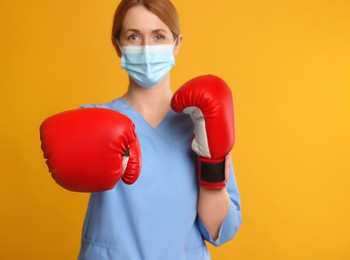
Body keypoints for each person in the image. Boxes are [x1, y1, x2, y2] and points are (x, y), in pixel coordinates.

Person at [41, 0, 242, 259]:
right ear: (118, 44)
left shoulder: (201, 121)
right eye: (133, 36)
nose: (147, 48)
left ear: (177, 43)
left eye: (158, 36)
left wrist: (212, 162)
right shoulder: (92, 120)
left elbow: (219, 232)